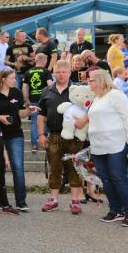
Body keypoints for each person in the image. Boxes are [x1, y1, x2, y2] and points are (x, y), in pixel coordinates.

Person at [76, 69, 128, 227]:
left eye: (91, 81)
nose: (89, 83)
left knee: (119, 178)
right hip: (98, 146)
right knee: (107, 181)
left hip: (116, 144)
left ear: (101, 80)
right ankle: (115, 210)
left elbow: (127, 117)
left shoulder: (115, 95)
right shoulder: (97, 98)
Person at [36, 60, 85, 214]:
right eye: (58, 72)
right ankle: (54, 200)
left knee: (74, 169)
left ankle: (75, 201)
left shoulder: (78, 90)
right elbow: (41, 115)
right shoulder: (46, 91)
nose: (61, 74)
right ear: (54, 73)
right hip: (54, 135)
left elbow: (88, 109)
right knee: (54, 168)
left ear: (70, 72)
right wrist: (41, 134)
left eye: (64, 72)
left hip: (75, 137)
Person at [0, 68, 36, 211]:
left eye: (15, 78)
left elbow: (20, 112)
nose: (15, 80)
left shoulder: (17, 93)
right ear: (3, 79)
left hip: (15, 134)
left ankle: (21, 201)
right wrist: (0, 118)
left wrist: (29, 111)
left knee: (18, 167)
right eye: (12, 78)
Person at [22, 53, 53, 151]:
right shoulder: (46, 71)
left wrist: (27, 100)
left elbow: (24, 87)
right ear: (44, 61)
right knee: (47, 120)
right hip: (45, 100)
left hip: (33, 100)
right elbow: (50, 85)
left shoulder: (28, 72)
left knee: (34, 122)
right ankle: (46, 141)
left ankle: (35, 144)